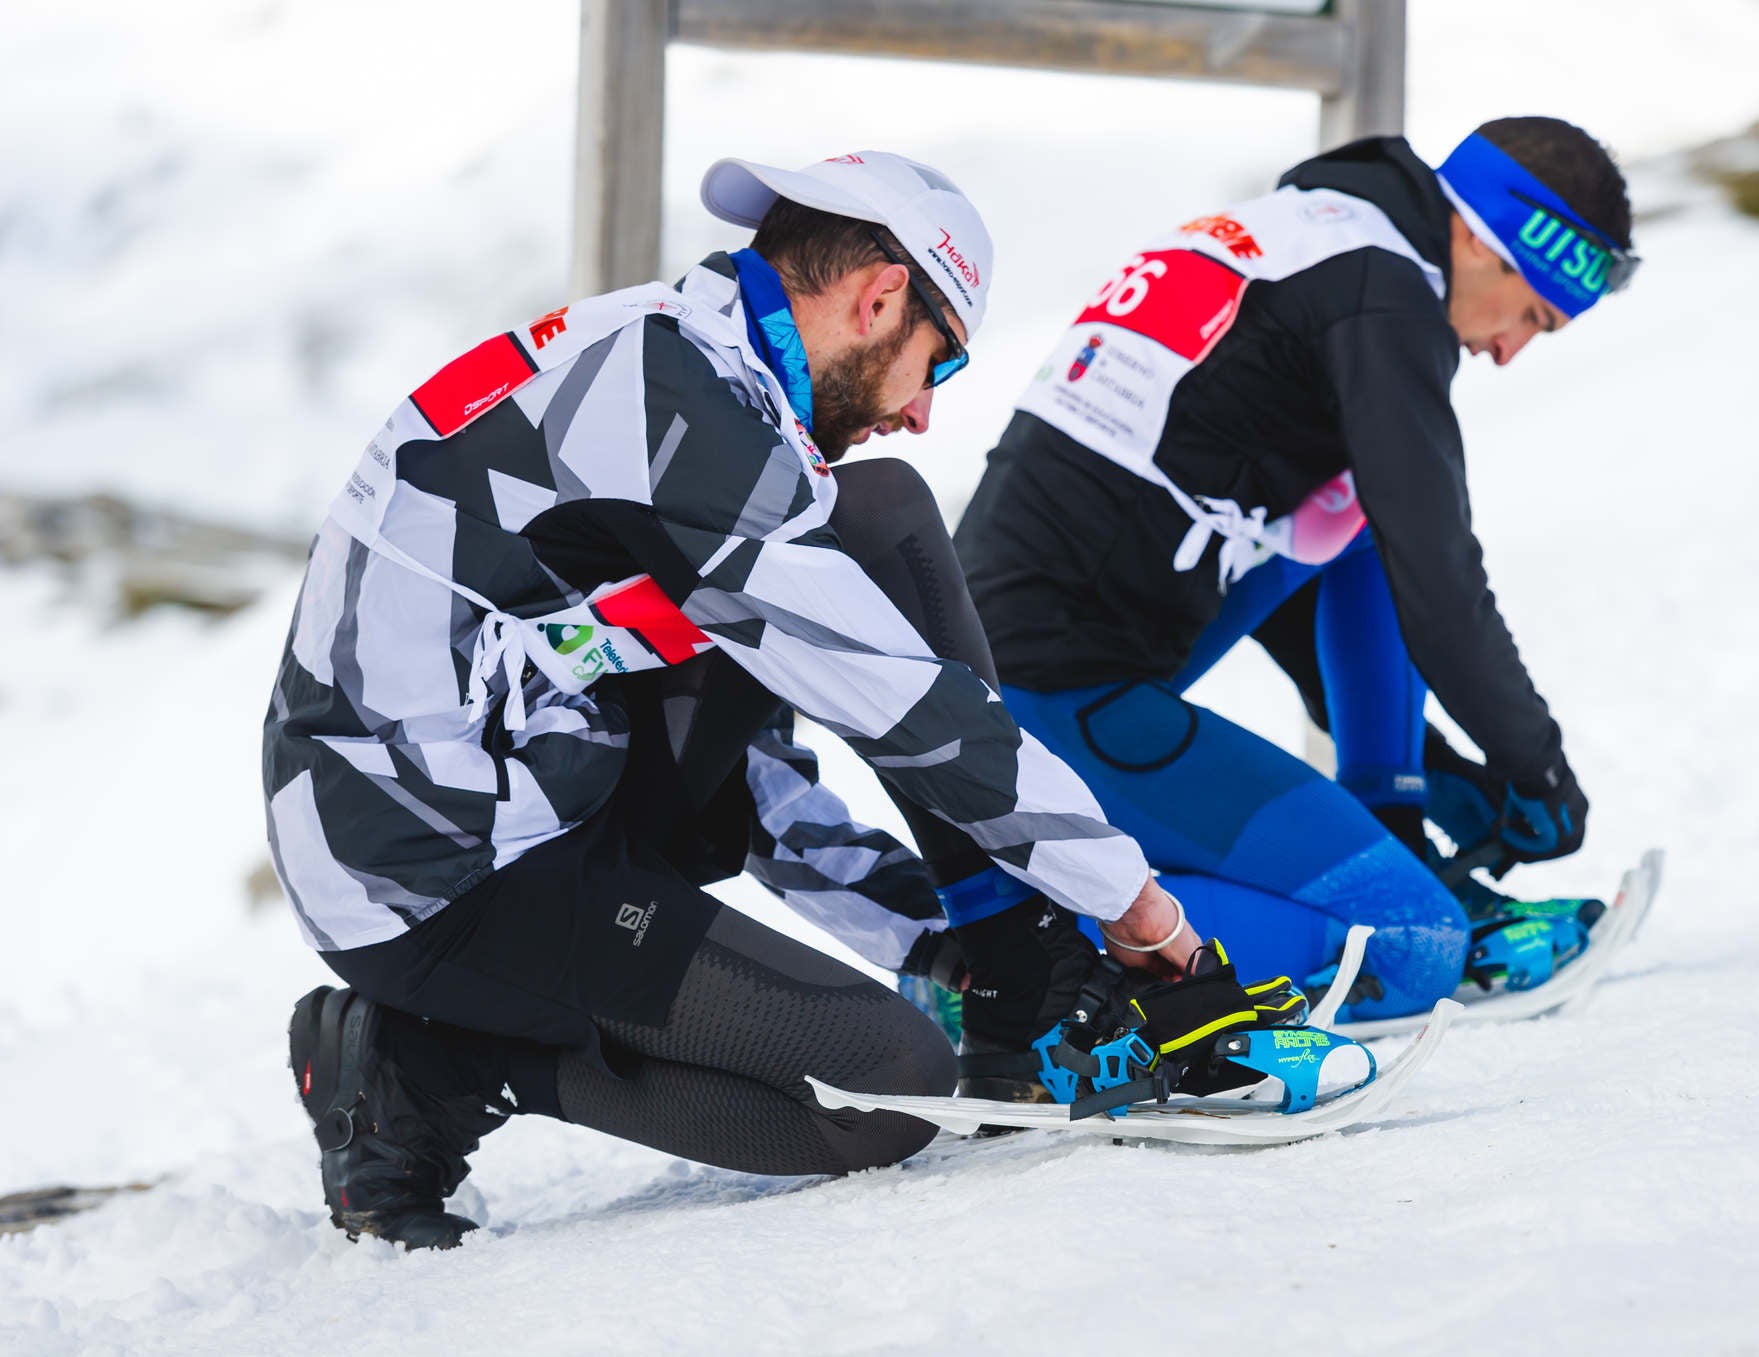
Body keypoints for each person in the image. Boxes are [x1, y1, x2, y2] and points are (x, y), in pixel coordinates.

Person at [264, 150, 1197, 1251]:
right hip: (421, 870)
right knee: (891, 1091)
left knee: (880, 508)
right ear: (881, 298)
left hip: (526, 786)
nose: (919, 414)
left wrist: (946, 949)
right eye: (935, 368)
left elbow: (748, 780)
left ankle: (1011, 964)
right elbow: (892, 696)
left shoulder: (696, 374)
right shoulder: (669, 397)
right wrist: (1132, 903)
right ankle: (421, 1065)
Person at [950, 117, 1639, 1026]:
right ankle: (993, 976)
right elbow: (1440, 581)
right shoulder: (1382, 297)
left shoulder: (1321, 231)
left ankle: (1390, 826)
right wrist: (1536, 771)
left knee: (1350, 520)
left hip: (1006, 672)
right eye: (1530, 316)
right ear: (1479, 237)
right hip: (1053, 705)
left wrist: (1437, 774)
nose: (1508, 351)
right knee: (1409, 942)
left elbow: (1302, 559)